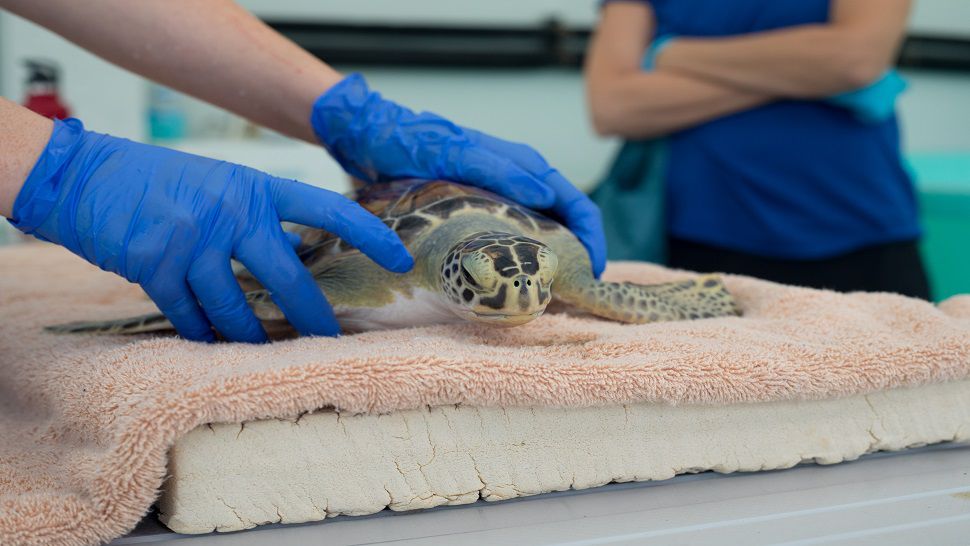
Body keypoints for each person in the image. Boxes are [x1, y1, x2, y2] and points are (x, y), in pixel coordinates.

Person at [0, 0, 606, 343]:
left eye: (538, 277)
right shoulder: (377, 279)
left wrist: (351, 114)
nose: (523, 296)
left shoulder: (537, 270)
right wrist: (53, 170)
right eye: (490, 278)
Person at [586, 0, 931, 299]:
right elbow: (614, 106)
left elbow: (855, 59)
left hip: (861, 235)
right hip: (699, 243)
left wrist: (669, 53)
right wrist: (810, 73)